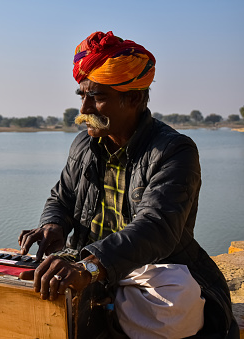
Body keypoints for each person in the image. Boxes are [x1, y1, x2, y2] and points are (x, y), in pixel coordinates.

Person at [18, 31, 238, 338]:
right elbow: (62, 196)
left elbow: (157, 226)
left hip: (149, 270)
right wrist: (53, 224)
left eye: (97, 96)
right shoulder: (83, 144)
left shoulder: (174, 150)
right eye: (82, 95)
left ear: (133, 98)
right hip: (86, 262)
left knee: (175, 300)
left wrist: (91, 269)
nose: (84, 109)